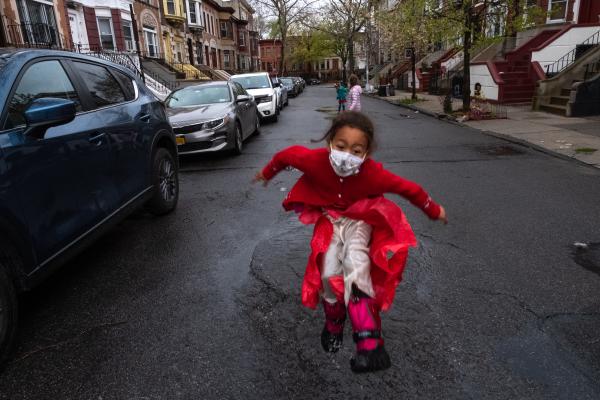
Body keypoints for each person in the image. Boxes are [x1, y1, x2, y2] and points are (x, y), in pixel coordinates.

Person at [253, 111, 447, 373]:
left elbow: (409, 189)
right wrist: (267, 173)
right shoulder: (313, 160)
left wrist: (433, 210)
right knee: (328, 272)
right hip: (330, 220)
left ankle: (370, 343)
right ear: (330, 143)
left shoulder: (373, 174)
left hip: (360, 218)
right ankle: (334, 323)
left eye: (356, 151)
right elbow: (284, 156)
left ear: (366, 153)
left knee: (356, 261)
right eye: (341, 147)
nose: (347, 156)